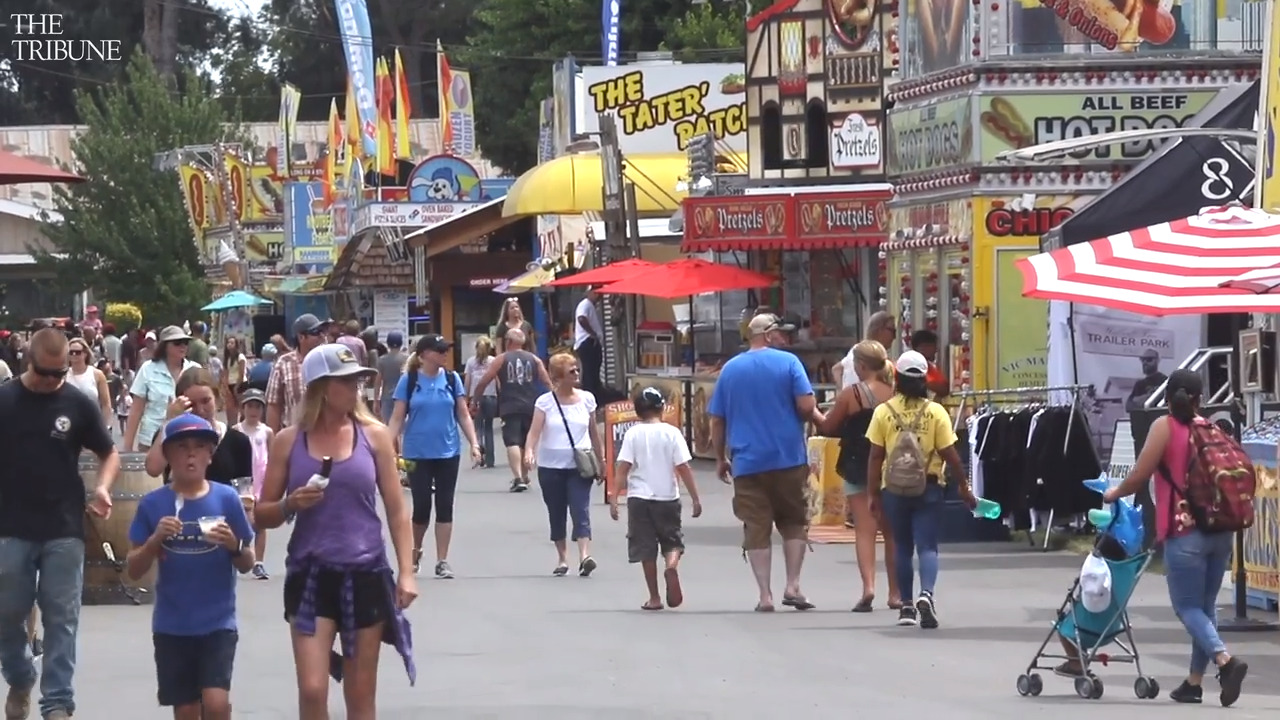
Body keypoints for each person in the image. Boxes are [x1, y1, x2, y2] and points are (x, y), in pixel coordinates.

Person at [253, 343, 417, 718]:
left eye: (358, 381)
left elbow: (396, 508)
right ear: (322, 388)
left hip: (365, 573)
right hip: (310, 572)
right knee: (312, 690)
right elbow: (262, 515)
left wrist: (406, 572)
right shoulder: (289, 441)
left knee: (360, 696)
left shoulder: (373, 437)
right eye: (347, 382)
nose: (355, 389)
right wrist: (290, 504)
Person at [1100, 369, 1248, 706]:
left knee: (1186, 607)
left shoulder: (1164, 428)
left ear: (1167, 397)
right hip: (1220, 530)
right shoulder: (1210, 428)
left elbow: (1138, 476)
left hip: (1185, 533)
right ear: (1200, 399)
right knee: (1204, 608)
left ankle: (1225, 661)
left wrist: (1114, 493)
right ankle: (1193, 683)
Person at [0, 328, 118, 720]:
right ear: (28, 362)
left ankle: (57, 704)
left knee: (61, 617)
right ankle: (20, 676)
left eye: (61, 373)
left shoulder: (77, 403)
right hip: (11, 525)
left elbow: (109, 452)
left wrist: (102, 487)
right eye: (47, 373)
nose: (54, 381)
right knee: (6, 612)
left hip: (64, 525)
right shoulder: (5, 400)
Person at [126, 414, 255, 719]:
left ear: (211, 455)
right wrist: (155, 540)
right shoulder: (153, 505)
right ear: (168, 456)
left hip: (217, 623)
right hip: (172, 625)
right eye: (181, 447)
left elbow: (248, 561)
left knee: (216, 703)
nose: (191, 454)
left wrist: (233, 544)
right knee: (185, 710)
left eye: (199, 447)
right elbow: (133, 568)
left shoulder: (226, 499)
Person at [709, 313, 816, 612]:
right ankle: (793, 585)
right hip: (788, 457)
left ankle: (765, 596)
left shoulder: (730, 370)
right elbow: (806, 406)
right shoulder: (790, 363)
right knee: (794, 519)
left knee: (756, 526)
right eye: (779, 332)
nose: (784, 337)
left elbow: (717, 420)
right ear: (767, 335)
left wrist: (720, 458)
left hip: (747, 462)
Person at [866, 350, 973, 629]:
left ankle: (906, 606)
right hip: (929, 487)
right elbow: (951, 455)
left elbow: (875, 457)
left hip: (894, 490)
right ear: (924, 379)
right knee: (927, 546)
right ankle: (927, 594)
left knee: (902, 546)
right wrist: (964, 486)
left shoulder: (883, 412)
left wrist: (873, 494)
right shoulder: (935, 412)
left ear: (897, 378)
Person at [387, 335, 482, 579]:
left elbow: (462, 413)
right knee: (421, 507)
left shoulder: (452, 380)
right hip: (417, 453)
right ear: (423, 355)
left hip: (448, 451)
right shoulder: (409, 382)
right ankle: (416, 550)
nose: (444, 354)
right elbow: (397, 417)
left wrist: (474, 443)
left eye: (445, 349)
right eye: (439, 350)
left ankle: (442, 560)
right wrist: (386, 446)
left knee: (444, 505)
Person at [816, 340, 900, 612]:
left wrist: (813, 412)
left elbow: (829, 427)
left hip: (856, 464)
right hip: (889, 466)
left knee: (864, 531)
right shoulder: (895, 393)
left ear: (861, 366)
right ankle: (896, 593)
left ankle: (868, 588)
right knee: (891, 532)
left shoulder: (852, 395)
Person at [609, 387, 701, 611]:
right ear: (661, 408)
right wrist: (695, 498)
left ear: (638, 411)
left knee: (645, 548)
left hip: (639, 498)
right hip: (667, 497)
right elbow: (684, 467)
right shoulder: (672, 433)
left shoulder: (632, 433)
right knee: (672, 541)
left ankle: (654, 597)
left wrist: (614, 497)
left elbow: (623, 468)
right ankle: (671, 566)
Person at [524, 352, 604, 577]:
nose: (577, 374)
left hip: (580, 466)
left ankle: (585, 555)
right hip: (551, 467)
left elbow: (594, 433)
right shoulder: (545, 402)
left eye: (577, 369)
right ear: (559, 377)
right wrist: (529, 451)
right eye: (572, 371)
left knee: (581, 509)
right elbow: (534, 431)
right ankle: (562, 558)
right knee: (556, 511)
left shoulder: (587, 399)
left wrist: (602, 460)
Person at [143, 367, 253, 488]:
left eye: (206, 401)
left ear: (216, 398)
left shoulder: (237, 441)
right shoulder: (171, 436)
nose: (200, 410)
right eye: (192, 404)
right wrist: (169, 421)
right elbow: (153, 469)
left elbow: (245, 488)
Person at [472, 328, 552, 493]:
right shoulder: (534, 359)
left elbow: (484, 380)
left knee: (512, 441)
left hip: (509, 405)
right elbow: (546, 381)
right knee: (526, 441)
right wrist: (556, 400)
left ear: (508, 342)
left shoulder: (501, 359)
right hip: (531, 405)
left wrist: (475, 399)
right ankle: (524, 475)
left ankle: (518, 477)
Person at [125, 325, 200, 452]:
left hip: (187, 439)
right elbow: (136, 410)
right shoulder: (148, 369)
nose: (183, 346)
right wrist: (127, 447)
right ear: (165, 346)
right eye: (177, 343)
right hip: (151, 441)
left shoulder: (195, 369)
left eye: (185, 342)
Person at [265, 314, 329, 432]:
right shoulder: (283, 363)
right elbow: (274, 405)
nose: (321, 336)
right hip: (295, 436)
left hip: (327, 435)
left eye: (322, 332)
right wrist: (272, 442)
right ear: (301, 337)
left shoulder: (330, 360)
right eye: (316, 332)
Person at [234, 389, 274, 580]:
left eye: (258, 407)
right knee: (242, 520)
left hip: (261, 478)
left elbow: (273, 457)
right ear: (243, 408)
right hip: (242, 481)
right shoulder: (236, 431)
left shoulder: (266, 432)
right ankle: (240, 555)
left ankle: (259, 562)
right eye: (250, 406)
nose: (253, 411)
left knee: (261, 521)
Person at [463, 336, 498, 468]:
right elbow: (498, 380)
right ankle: (490, 459)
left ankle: (479, 455)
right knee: (489, 427)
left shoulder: (471, 362)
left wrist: (466, 398)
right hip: (491, 397)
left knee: (477, 427)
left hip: (475, 398)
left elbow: (468, 382)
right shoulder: (493, 361)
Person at [64, 337, 113, 429]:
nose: (74, 355)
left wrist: (106, 426)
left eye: (77, 352)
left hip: (93, 424)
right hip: (70, 425)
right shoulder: (63, 375)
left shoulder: (97, 374)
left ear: (85, 354)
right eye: (71, 352)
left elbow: (106, 404)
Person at [573, 287, 604, 397]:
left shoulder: (589, 306)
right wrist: (593, 334)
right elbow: (581, 319)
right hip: (587, 342)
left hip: (589, 341)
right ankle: (591, 395)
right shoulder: (585, 304)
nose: (599, 297)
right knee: (590, 372)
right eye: (597, 294)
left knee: (593, 370)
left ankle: (594, 394)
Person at [375, 332, 406, 425]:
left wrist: (376, 401)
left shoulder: (382, 360)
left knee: (389, 425)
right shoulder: (407, 359)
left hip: (387, 396)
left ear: (388, 344)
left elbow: (378, 382)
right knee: (402, 426)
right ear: (401, 343)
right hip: (404, 397)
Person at [909, 329, 950, 398]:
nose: (936, 350)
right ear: (923, 347)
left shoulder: (929, 367)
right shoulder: (910, 366)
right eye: (933, 346)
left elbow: (944, 388)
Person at [221, 337, 247, 423]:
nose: (229, 345)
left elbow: (241, 373)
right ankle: (232, 425)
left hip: (240, 384)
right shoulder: (227, 358)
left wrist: (237, 387)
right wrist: (225, 386)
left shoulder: (240, 357)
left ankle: (244, 422)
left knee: (241, 406)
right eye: (228, 343)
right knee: (231, 408)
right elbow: (225, 373)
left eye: (232, 343)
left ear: (236, 345)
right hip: (230, 384)